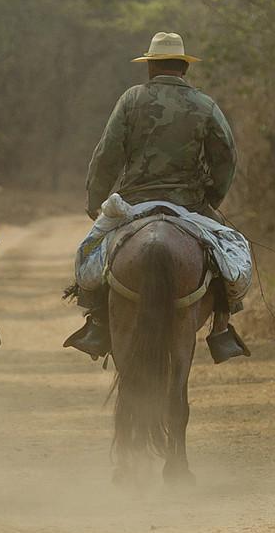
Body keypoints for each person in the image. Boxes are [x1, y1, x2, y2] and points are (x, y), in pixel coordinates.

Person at [66, 31, 243, 361]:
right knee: (231, 256)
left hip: (133, 204)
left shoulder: (131, 99)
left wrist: (96, 203)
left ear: (150, 67)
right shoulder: (206, 105)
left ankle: (98, 323)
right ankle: (222, 326)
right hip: (190, 204)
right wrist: (211, 200)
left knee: (89, 256)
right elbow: (227, 157)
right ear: (183, 68)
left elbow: (107, 154)